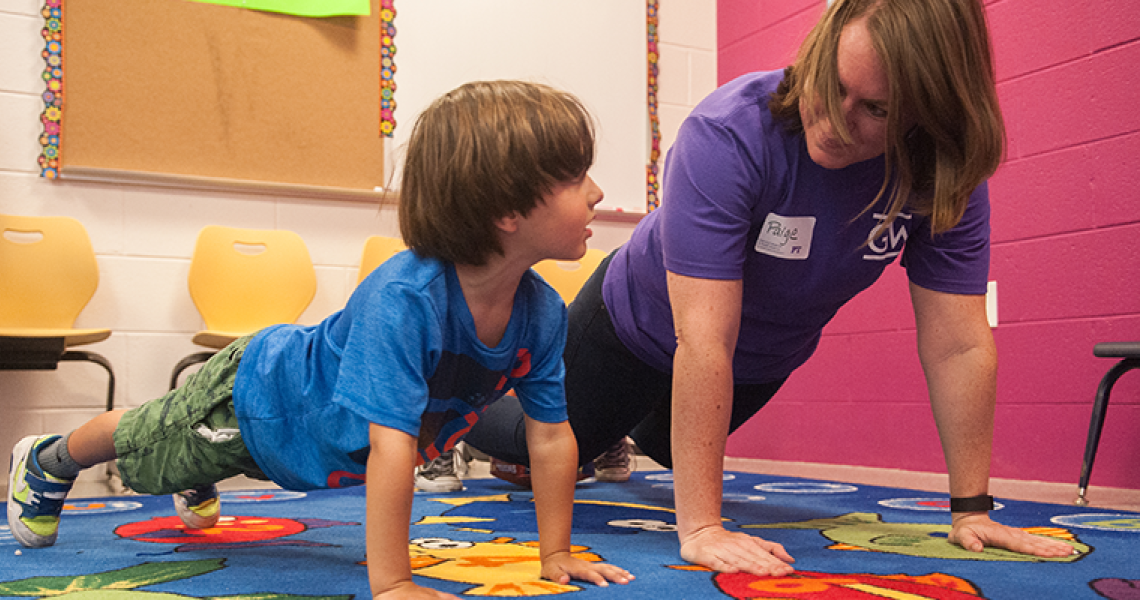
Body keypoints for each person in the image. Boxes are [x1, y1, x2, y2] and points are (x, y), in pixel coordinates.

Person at [464, 0, 1078, 577]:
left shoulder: (944, 174)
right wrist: (701, 526)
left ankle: (621, 434)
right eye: (833, 85)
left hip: (758, 355)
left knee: (672, 452)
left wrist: (971, 507)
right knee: (540, 451)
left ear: (928, 116)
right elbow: (703, 335)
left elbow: (958, 345)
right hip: (637, 322)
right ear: (817, 51)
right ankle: (452, 403)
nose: (838, 121)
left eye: (878, 110)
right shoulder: (728, 133)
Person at [7, 80, 633, 599]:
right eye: (577, 176)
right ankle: (48, 458)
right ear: (507, 210)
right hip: (256, 398)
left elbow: (549, 437)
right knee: (150, 442)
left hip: (312, 447)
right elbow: (391, 446)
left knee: (198, 457)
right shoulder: (405, 298)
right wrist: (392, 584)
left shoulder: (542, 311)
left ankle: (200, 471)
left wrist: (555, 553)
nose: (598, 192)